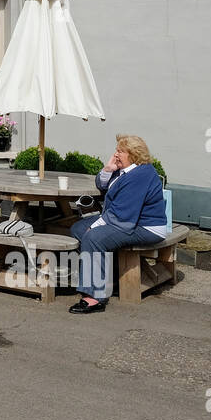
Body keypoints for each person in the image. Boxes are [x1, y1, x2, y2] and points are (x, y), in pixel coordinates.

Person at [68, 135, 169, 314]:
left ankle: (95, 297)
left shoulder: (141, 175)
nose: (116, 154)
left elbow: (121, 214)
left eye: (120, 151)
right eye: (117, 150)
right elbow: (101, 184)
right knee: (78, 228)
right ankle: (110, 277)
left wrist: (96, 226)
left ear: (134, 154)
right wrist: (108, 169)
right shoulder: (126, 171)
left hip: (145, 226)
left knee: (93, 236)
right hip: (127, 220)